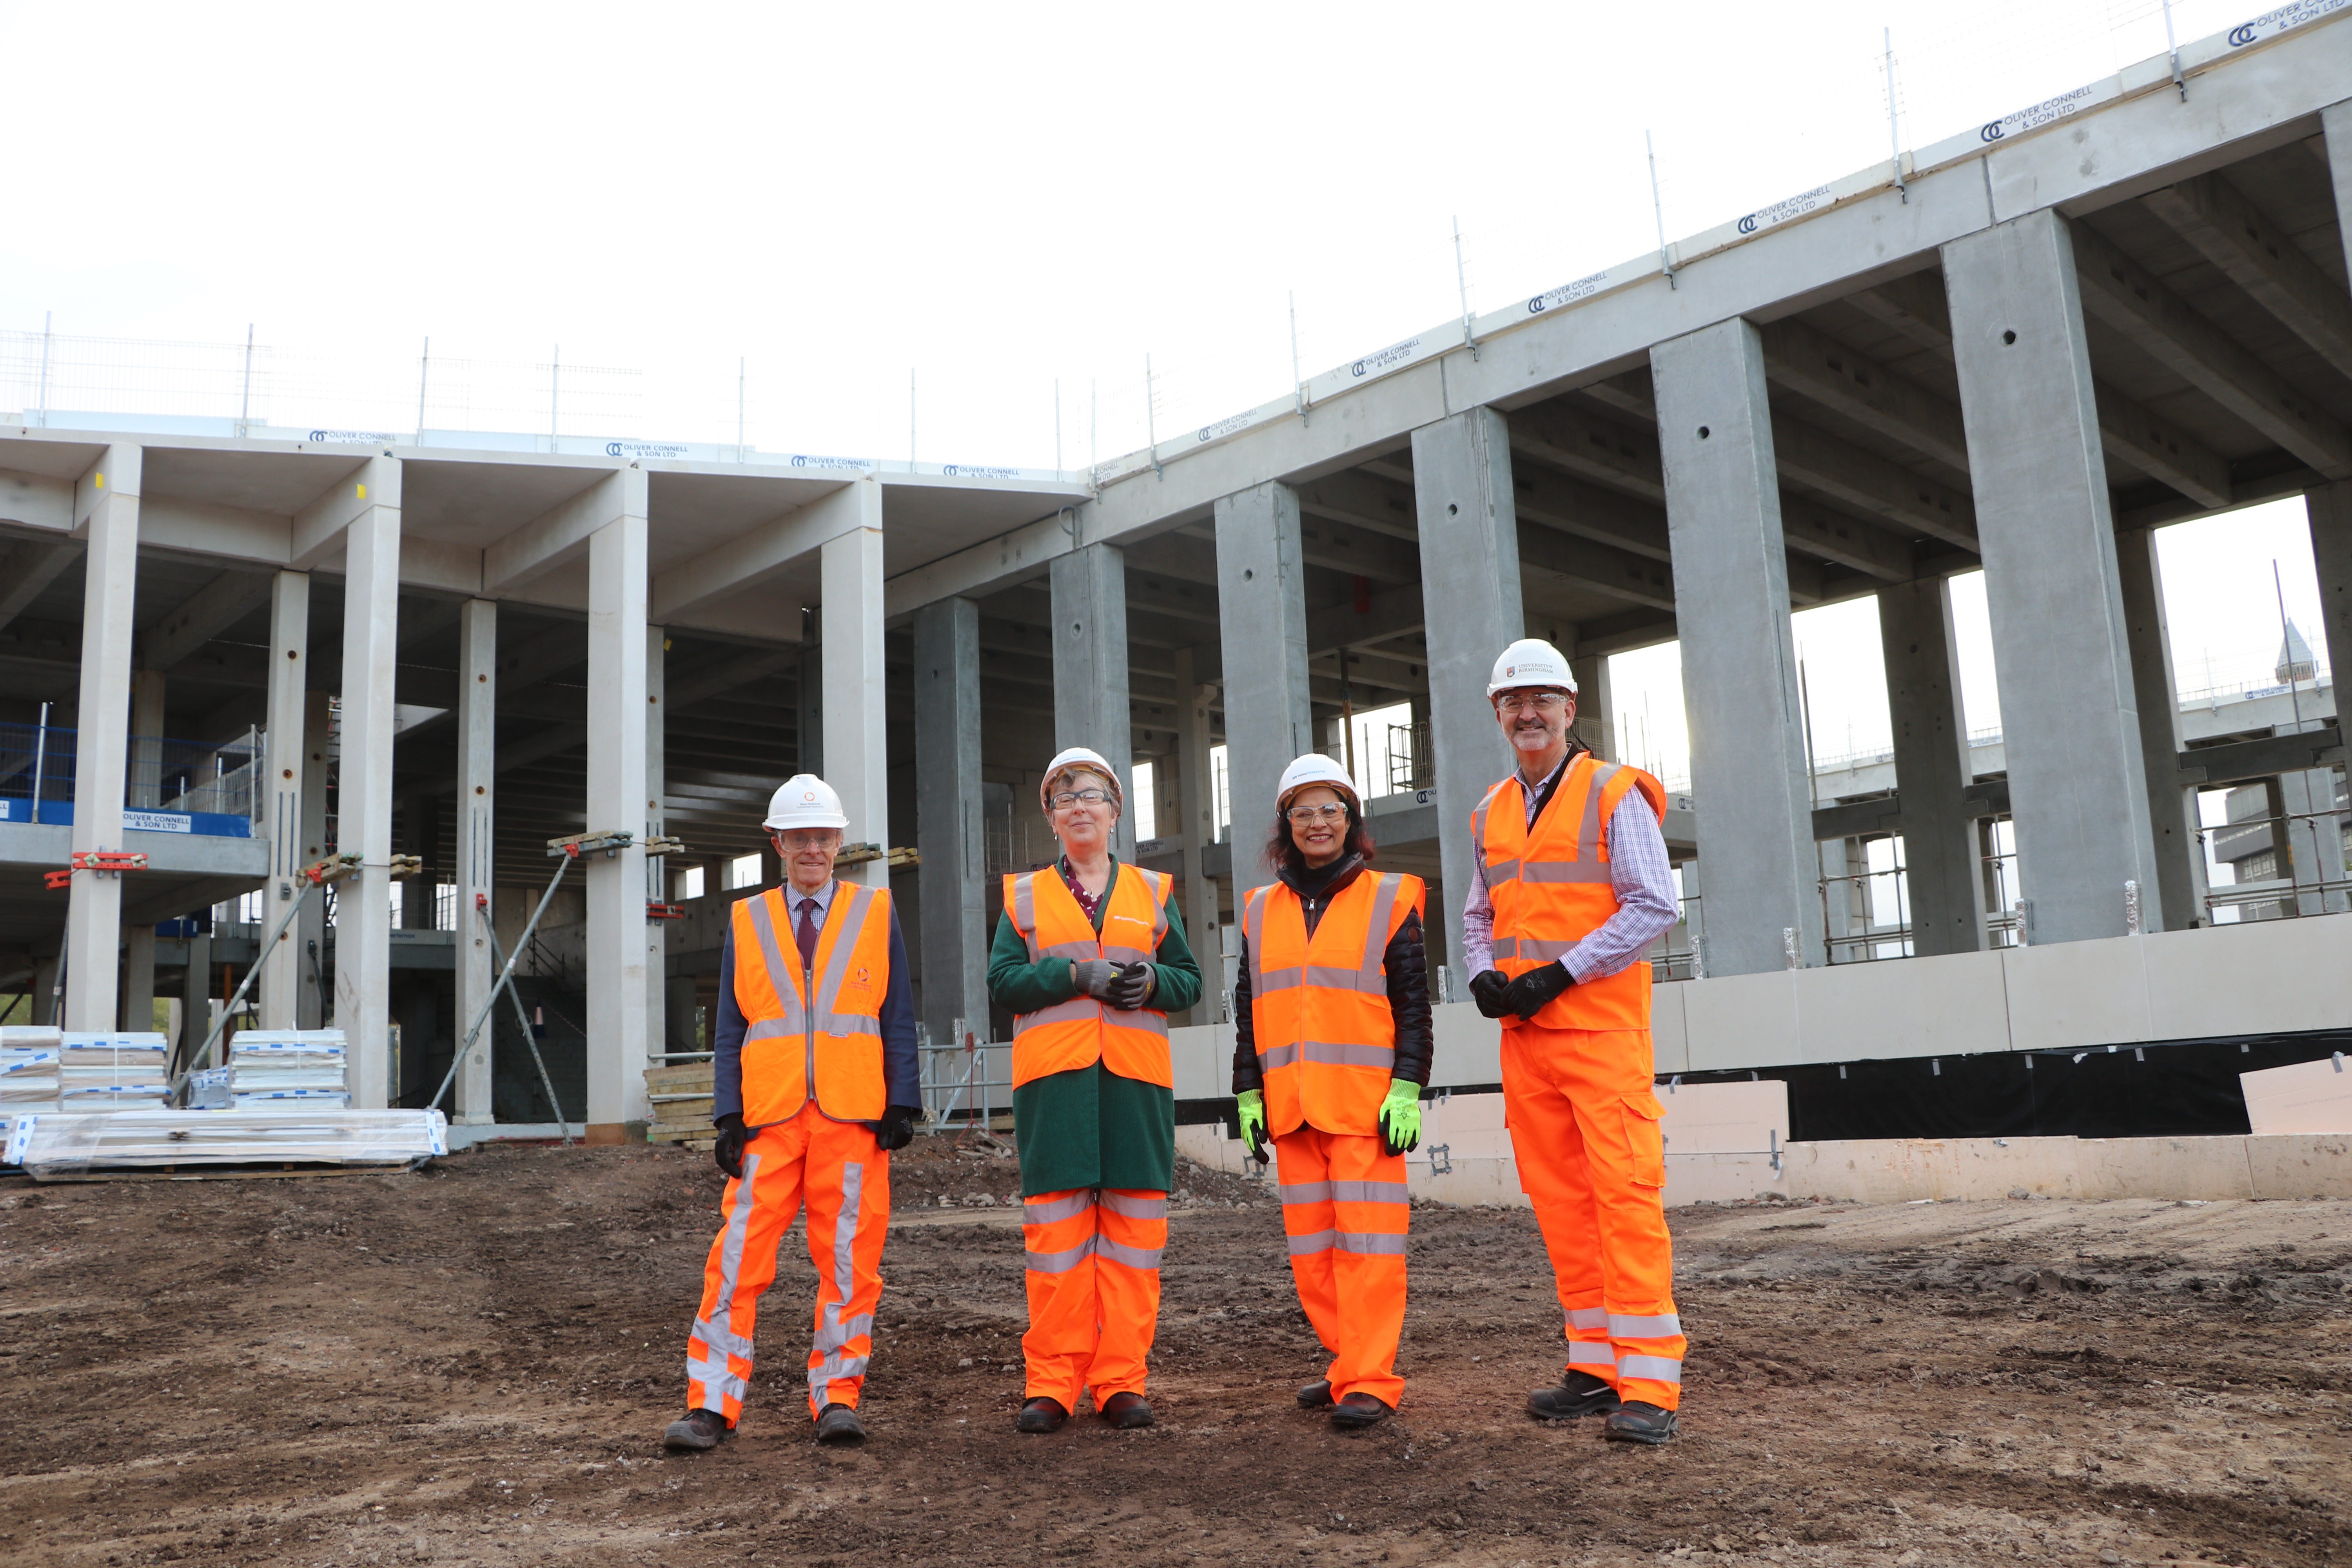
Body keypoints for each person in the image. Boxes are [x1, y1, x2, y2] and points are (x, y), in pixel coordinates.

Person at [1462, 639, 1685, 1445]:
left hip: (1598, 1033)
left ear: (1568, 708)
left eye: (1542, 700)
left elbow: (1654, 903)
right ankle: (1594, 1365)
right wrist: (1484, 973)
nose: (1528, 713)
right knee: (1562, 1204)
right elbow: (1477, 914)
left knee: (1624, 1199)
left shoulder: (1611, 792)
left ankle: (1651, 1383)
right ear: (1498, 714)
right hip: (1526, 1042)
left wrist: (1560, 972)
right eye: (1513, 702)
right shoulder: (1489, 810)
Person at [664, 774, 923, 1451]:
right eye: (800, 838)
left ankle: (837, 1398)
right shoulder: (747, 919)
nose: (813, 848)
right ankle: (711, 1404)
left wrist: (903, 1101)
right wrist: (727, 1116)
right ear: (778, 843)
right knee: (737, 1260)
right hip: (768, 1119)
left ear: (840, 842)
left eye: (824, 837)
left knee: (848, 1263)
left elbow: (897, 1015)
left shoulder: (876, 911)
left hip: (853, 1118)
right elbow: (727, 1027)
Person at [986, 745, 1203, 1434]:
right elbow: (1002, 982)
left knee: (1134, 1245)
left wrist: (1153, 986)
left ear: (1114, 811)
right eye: (1065, 796)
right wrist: (1073, 979)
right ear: (1051, 816)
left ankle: (1120, 1383)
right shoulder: (1024, 896)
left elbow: (1190, 980)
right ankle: (1052, 1385)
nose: (1080, 806)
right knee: (1056, 1245)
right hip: (1055, 1091)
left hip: (1135, 1091)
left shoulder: (1152, 893)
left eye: (1093, 795)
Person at [1231, 753, 1430, 1430]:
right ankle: (1348, 1363)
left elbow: (1413, 1006)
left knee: (1370, 1251)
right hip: (1292, 1110)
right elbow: (1248, 1009)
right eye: (1304, 811)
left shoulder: (1390, 897)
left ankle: (1372, 1377)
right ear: (1285, 823)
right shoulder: (1260, 910)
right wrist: (1248, 1092)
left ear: (1352, 821)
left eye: (1331, 810)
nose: (1318, 823)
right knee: (1315, 1256)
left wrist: (1407, 1088)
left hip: (1367, 1112)